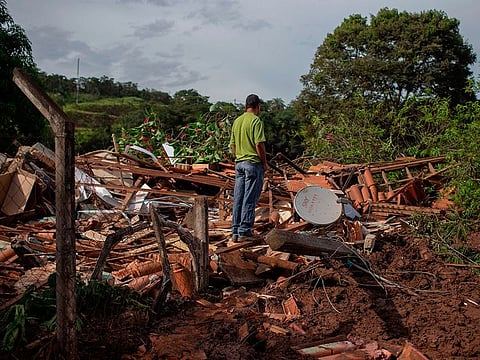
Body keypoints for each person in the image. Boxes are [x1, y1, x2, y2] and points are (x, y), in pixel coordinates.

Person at [229, 94, 267, 241]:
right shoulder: (256, 121)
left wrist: (239, 155)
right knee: (249, 198)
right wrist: (264, 162)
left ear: (246, 106)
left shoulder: (237, 121)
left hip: (239, 163)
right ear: (258, 106)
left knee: (238, 198)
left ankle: (235, 231)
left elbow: (232, 144)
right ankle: (245, 231)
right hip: (252, 164)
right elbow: (259, 144)